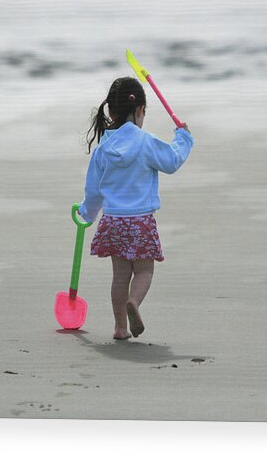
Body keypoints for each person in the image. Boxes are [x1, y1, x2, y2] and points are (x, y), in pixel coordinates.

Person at [78, 76, 194, 340]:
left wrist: (87, 213)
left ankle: (120, 327)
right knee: (144, 270)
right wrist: (183, 138)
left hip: (113, 222)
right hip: (140, 221)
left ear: (111, 111)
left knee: (120, 275)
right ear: (140, 110)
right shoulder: (145, 142)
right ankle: (135, 302)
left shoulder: (104, 149)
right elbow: (172, 161)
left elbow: (94, 191)